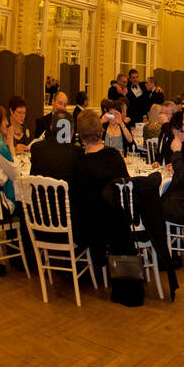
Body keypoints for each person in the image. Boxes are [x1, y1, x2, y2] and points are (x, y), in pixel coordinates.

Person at [71, 110, 130, 266]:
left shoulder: (79, 164)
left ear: (80, 135)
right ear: (100, 130)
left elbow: (77, 200)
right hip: (118, 224)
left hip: (91, 227)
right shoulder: (114, 156)